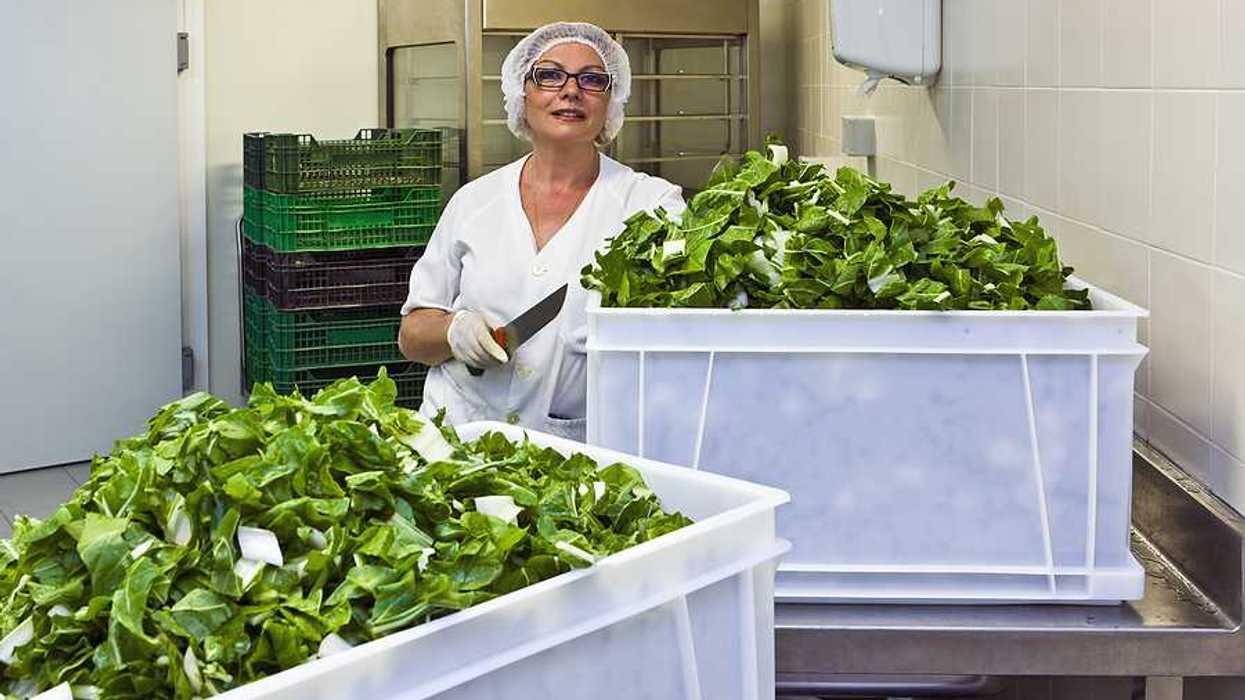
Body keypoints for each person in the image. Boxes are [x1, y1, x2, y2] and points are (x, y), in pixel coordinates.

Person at [397, 21, 685, 441]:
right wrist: (454, 331)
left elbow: (683, 340)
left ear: (611, 102)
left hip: (579, 450)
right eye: (549, 75)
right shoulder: (474, 202)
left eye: (592, 79)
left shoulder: (651, 206)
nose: (571, 90)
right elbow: (412, 336)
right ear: (522, 95)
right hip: (457, 439)